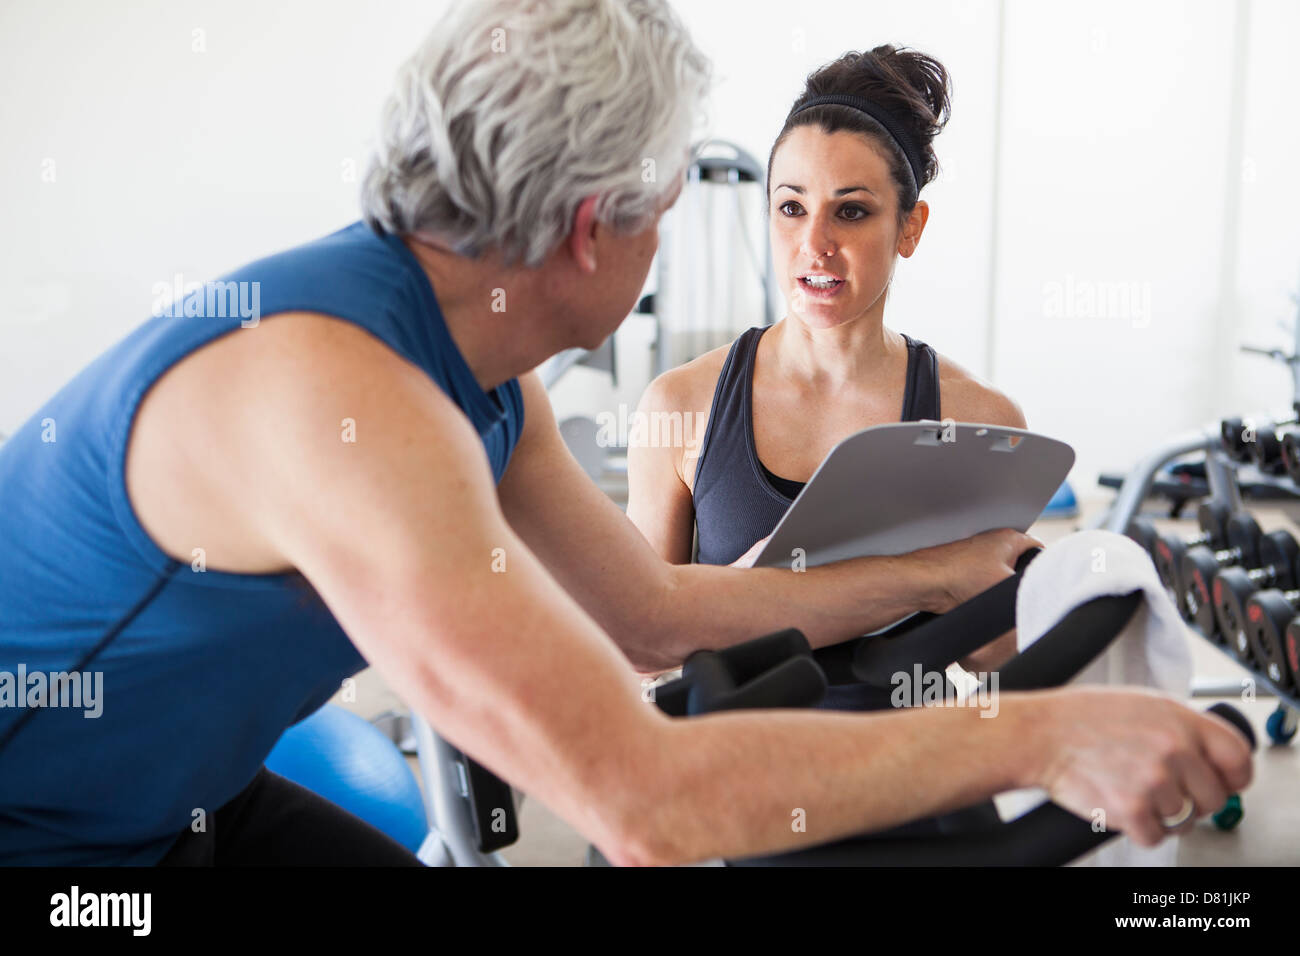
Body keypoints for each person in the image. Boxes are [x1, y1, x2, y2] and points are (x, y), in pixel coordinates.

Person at [0, 0, 1250, 866]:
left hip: (179, 804)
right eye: (668, 210)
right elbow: (645, 800)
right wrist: (1044, 736)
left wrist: (933, 573)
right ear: (596, 226)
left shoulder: (480, 364)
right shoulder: (343, 399)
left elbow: (648, 610)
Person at [627, 46, 1022, 699]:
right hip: (735, 771)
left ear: (910, 227)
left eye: (852, 210)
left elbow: (991, 657)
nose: (814, 245)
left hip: (910, 773)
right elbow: (642, 648)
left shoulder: (978, 420)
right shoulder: (681, 405)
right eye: (791, 208)